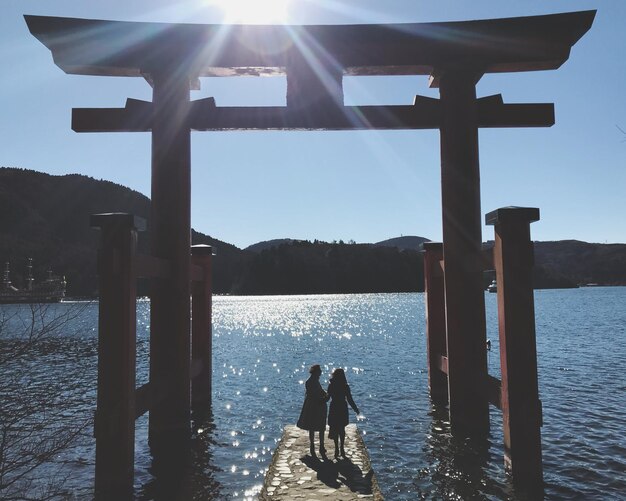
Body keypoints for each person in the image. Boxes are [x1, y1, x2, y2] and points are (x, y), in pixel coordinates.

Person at [296, 364, 329, 457]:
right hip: (315, 406)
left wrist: (325, 394)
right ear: (316, 372)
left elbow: (319, 391)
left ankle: (314, 446)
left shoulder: (312, 381)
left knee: (313, 427)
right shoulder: (311, 382)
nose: (321, 372)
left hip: (311, 405)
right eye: (320, 371)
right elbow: (316, 394)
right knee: (319, 427)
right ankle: (319, 446)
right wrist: (326, 396)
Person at [327, 368, 360, 459]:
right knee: (341, 428)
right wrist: (356, 409)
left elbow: (327, 397)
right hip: (342, 407)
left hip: (334, 407)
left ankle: (337, 448)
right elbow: (349, 399)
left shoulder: (331, 385)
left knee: (335, 427)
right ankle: (341, 448)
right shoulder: (345, 386)